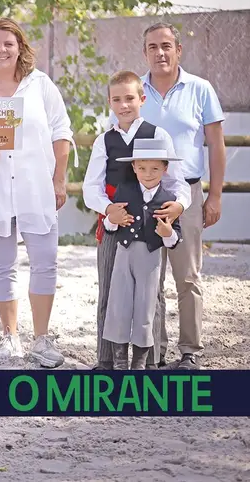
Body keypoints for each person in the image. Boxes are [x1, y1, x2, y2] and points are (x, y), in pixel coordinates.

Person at [0, 17, 73, 368]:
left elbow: (61, 132)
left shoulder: (39, 85)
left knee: (44, 263)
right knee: (3, 265)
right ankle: (10, 337)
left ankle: (42, 339)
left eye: (9, 43)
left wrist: (59, 179)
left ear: (20, 46)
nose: (2, 49)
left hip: (36, 188)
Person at [82, 70, 191, 370]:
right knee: (109, 291)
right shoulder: (105, 141)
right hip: (114, 227)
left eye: (129, 98)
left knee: (151, 294)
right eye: (116, 99)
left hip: (150, 230)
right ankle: (106, 361)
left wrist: (179, 206)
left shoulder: (158, 135)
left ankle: (152, 360)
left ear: (142, 98)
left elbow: (179, 183)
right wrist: (107, 210)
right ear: (109, 103)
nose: (124, 105)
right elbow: (91, 186)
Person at [135, 22, 226, 370]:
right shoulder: (136, 92)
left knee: (187, 276)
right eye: (153, 47)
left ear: (178, 50)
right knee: (150, 276)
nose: (160, 52)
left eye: (166, 46)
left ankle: (190, 352)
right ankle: (154, 351)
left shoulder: (200, 90)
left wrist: (214, 196)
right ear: (144, 53)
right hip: (145, 193)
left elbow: (216, 145)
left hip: (186, 190)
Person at [101, 139, 183, 370]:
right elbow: (109, 226)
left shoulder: (169, 200)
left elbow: (176, 237)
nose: (148, 174)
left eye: (155, 168)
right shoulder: (124, 191)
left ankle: (138, 364)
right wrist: (111, 220)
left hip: (150, 257)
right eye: (143, 168)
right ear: (134, 167)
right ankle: (119, 363)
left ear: (165, 168)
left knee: (146, 307)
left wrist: (167, 233)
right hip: (124, 253)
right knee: (119, 304)